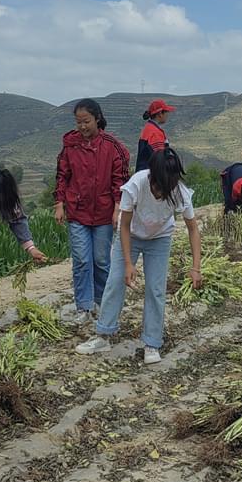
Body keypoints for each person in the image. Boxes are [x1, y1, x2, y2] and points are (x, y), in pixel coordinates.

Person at [76, 148, 202, 365]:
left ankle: (152, 343)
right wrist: (127, 263)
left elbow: (193, 229)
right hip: (131, 236)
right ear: (152, 177)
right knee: (115, 282)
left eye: (167, 187)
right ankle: (103, 335)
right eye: (159, 186)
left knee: (155, 289)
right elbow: (123, 226)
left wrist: (196, 267)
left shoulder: (179, 192)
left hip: (160, 239)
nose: (161, 192)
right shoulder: (136, 184)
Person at [54, 99, 130, 322]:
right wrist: (59, 203)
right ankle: (83, 307)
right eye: (78, 122)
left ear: (97, 119)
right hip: (77, 211)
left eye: (86, 121)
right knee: (81, 260)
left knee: (101, 260)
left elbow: (120, 180)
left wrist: (118, 208)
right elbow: (62, 175)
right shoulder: (70, 146)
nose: (82, 127)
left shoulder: (113, 147)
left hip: (104, 212)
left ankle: (103, 302)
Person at [135, 99, 175, 171]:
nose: (167, 114)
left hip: (144, 174)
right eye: (166, 112)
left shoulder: (148, 128)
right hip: (152, 176)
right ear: (160, 114)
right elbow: (160, 160)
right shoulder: (155, 132)